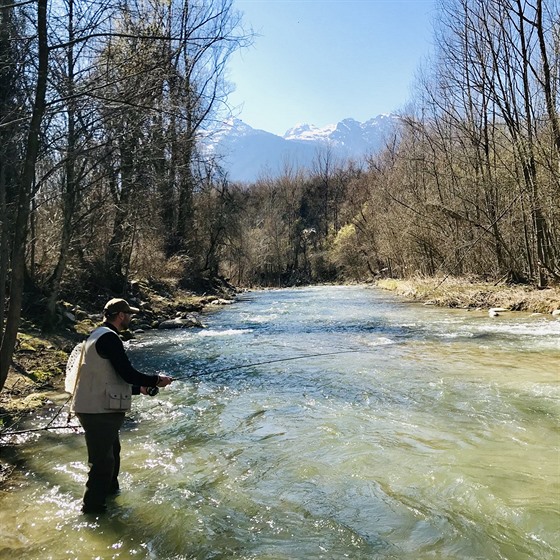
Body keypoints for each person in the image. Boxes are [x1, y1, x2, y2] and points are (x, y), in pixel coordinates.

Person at [72, 298, 173, 514]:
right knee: (102, 463)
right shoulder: (110, 339)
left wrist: (140, 389)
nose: (131, 318)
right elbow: (127, 373)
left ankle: (110, 497)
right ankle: (92, 511)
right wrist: (156, 380)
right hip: (97, 411)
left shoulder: (98, 335)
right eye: (129, 314)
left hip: (96, 407)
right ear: (120, 316)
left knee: (113, 454)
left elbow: (108, 377)